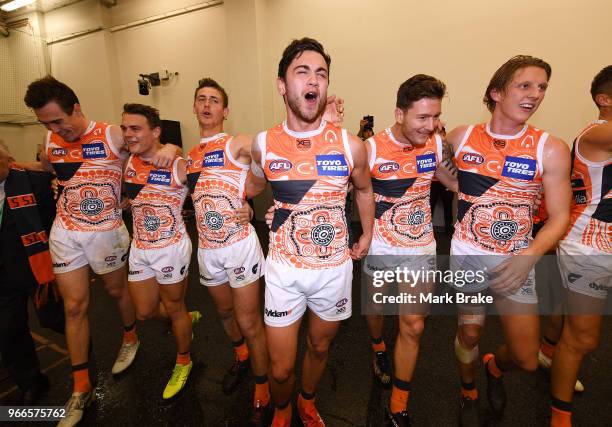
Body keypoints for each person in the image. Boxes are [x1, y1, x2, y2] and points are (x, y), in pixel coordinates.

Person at [22, 76, 179, 426]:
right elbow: (47, 168)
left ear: (75, 108)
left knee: (116, 291)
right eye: (46, 123)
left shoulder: (111, 135)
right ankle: (81, 388)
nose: (55, 129)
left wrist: (173, 150)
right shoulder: (50, 140)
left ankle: (130, 337)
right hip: (66, 232)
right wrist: (17, 167)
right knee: (75, 306)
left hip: (106, 231)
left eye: (58, 120)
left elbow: (153, 147)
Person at [248, 37, 375, 427]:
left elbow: (366, 190)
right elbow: (253, 186)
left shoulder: (350, 146)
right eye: (302, 71)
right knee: (281, 368)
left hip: (334, 270)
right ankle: (282, 408)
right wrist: (261, 207)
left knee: (320, 347)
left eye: (321, 73)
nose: (313, 80)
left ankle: (306, 401)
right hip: (284, 272)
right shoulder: (263, 144)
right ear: (283, 85)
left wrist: (367, 234)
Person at [445, 56, 571, 425]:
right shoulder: (461, 136)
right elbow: (438, 168)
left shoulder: (550, 148)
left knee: (526, 357)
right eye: (525, 85)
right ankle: (467, 389)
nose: (536, 94)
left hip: (518, 260)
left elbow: (560, 216)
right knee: (469, 332)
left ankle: (493, 368)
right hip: (467, 253)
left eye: (543, 87)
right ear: (496, 92)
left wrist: (528, 257)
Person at [360, 75, 457, 425]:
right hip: (381, 246)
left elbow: (452, 181)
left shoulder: (435, 144)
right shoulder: (370, 149)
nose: (430, 125)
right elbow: (346, 188)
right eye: (422, 118)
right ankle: (377, 347)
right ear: (399, 113)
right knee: (375, 310)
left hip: (420, 248)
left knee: (413, 326)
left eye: (435, 116)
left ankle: (399, 402)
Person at [186, 78, 270, 424]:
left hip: (238, 247)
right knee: (224, 314)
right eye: (201, 99)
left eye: (214, 100)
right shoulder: (188, 157)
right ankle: (242, 356)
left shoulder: (236, 142)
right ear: (194, 107)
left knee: (249, 320)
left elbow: (268, 159)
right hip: (207, 248)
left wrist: (251, 196)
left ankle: (263, 386)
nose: (207, 105)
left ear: (225, 110)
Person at [120, 103, 201, 399]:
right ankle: (184, 318)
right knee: (143, 312)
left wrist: (174, 147)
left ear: (155, 132)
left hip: (171, 248)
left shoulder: (178, 166)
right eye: (125, 128)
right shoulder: (127, 157)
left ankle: (184, 360)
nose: (128, 134)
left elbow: (209, 189)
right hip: (139, 247)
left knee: (175, 307)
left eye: (135, 128)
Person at [550, 65, 612, 427]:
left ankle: (547, 351)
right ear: (604, 100)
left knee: (569, 311)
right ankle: (560, 417)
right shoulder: (599, 133)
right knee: (584, 338)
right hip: (590, 244)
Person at [0, 141, 55, 404]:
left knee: (55, 318)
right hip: (3, 277)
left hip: (36, 267)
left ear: (7, 155)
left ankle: (85, 358)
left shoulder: (33, 181)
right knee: (8, 330)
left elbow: (52, 222)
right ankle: (31, 381)